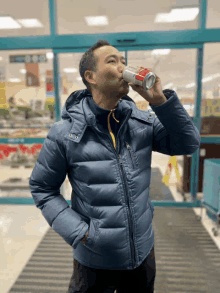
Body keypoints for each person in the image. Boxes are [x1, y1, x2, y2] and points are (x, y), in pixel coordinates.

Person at [29, 40, 201, 293]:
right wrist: (82, 234)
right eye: (112, 61)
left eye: (123, 61)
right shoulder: (65, 133)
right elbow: (42, 188)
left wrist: (160, 102)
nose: (122, 67)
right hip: (94, 260)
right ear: (91, 77)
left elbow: (187, 144)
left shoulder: (141, 123)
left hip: (142, 254)